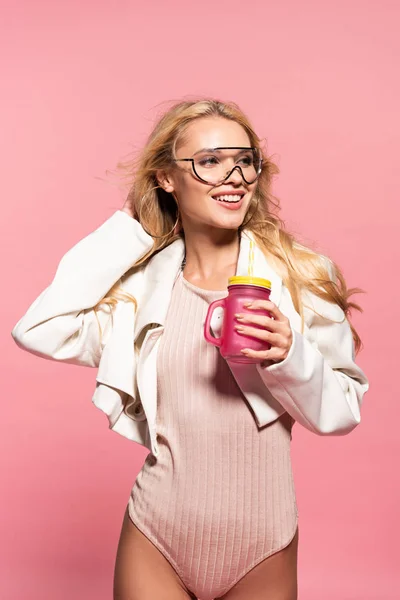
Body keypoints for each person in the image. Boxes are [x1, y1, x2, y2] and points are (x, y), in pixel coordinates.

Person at [11, 98, 369, 600]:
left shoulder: (301, 276)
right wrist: (131, 229)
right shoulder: (139, 292)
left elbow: (342, 412)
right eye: (209, 161)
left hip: (262, 540)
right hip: (156, 533)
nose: (235, 176)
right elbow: (38, 328)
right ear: (166, 178)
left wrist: (290, 354)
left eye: (245, 160)